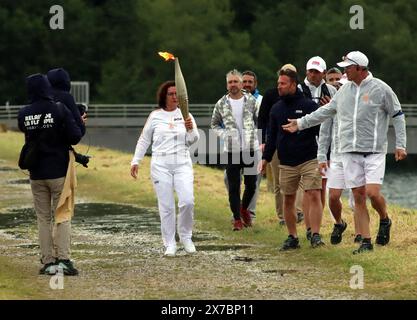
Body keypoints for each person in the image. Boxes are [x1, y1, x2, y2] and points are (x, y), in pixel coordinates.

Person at [282, 51, 407, 254]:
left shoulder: (381, 88)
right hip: (348, 151)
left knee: (372, 194)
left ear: (359, 68)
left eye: (347, 67)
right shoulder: (343, 91)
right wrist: (300, 123)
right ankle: (366, 241)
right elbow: (325, 112)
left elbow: (398, 114)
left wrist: (400, 144)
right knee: (358, 196)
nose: (344, 71)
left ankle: (385, 219)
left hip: (374, 151)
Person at [18, 74, 82, 275]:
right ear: (47, 88)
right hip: (58, 171)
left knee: (43, 218)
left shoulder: (24, 113)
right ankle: (63, 259)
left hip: (36, 173)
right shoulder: (59, 108)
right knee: (62, 214)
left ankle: (48, 261)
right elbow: (75, 136)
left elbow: (24, 129)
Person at [130, 81, 200, 257]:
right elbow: (144, 140)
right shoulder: (155, 116)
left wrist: (190, 130)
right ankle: (169, 243)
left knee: (187, 201)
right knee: (166, 206)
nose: (175, 97)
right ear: (164, 96)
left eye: (177, 94)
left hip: (182, 163)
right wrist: (136, 160)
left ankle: (186, 237)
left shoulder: (186, 115)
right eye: (171, 94)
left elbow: (194, 140)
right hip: (161, 165)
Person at [260, 67, 324, 250]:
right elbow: (271, 136)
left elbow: (321, 132)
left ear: (293, 85)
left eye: (283, 84)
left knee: (313, 193)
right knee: (288, 199)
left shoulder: (310, 106)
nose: (279, 87)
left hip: (309, 158)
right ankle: (292, 236)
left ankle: (315, 234)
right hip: (286, 161)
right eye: (278, 83)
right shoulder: (276, 109)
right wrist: (265, 158)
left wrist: (325, 155)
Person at [211, 69, 259, 231]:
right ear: (227, 84)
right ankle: (237, 219)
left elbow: (260, 120)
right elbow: (214, 124)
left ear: (241, 83)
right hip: (231, 150)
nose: (233, 85)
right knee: (233, 185)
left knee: (251, 184)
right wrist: (224, 134)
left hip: (250, 148)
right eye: (230, 82)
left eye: (235, 81)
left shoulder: (251, 101)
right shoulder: (221, 104)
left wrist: (257, 136)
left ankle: (244, 209)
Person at [258, 64, 304, 226]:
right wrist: (263, 142)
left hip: (297, 144)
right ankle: (282, 215)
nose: (280, 86)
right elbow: (262, 120)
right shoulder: (271, 96)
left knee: (298, 180)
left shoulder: (302, 96)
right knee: (278, 182)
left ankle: (297, 211)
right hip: (276, 143)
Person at [299, 56, 337, 240]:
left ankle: (316, 225)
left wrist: (330, 107)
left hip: (325, 142)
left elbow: (339, 113)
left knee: (321, 186)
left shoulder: (331, 90)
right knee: (308, 188)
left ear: (324, 72)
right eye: (310, 71)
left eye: (316, 71)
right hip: (305, 141)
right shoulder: (299, 90)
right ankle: (309, 227)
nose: (313, 75)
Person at [321, 70, 360, 244]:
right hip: (336, 156)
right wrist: (322, 156)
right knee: (333, 196)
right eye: (340, 87)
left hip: (356, 155)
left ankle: (360, 233)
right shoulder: (333, 106)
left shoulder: (360, 107)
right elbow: (324, 133)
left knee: (356, 197)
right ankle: (339, 223)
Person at [223, 70, 262, 220]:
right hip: (233, 147)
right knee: (229, 179)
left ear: (255, 84)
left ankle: (248, 213)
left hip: (254, 146)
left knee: (253, 181)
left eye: (249, 82)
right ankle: (238, 211)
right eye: (244, 81)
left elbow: (262, 123)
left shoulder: (259, 101)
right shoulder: (226, 102)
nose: (246, 84)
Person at [47, 68, 89, 167]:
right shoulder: (65, 97)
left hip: (36, 161)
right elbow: (76, 135)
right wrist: (79, 122)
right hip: (58, 160)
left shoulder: (40, 99)